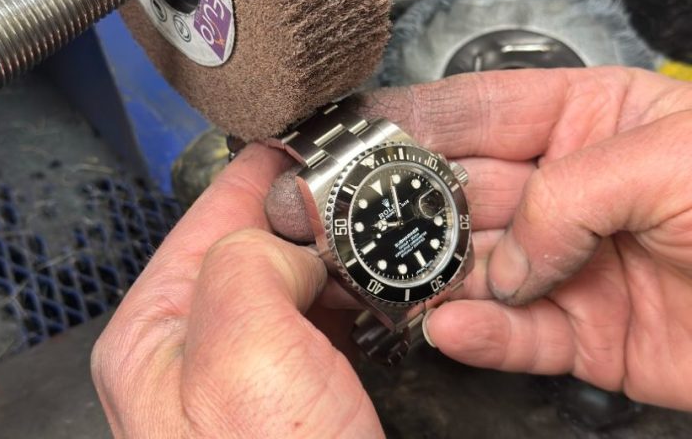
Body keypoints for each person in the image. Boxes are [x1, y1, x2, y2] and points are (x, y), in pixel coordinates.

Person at [90, 66, 692, 437]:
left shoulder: (421, 184)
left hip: (417, 250)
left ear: (447, 177)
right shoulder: (330, 209)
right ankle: (391, 326)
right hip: (396, 255)